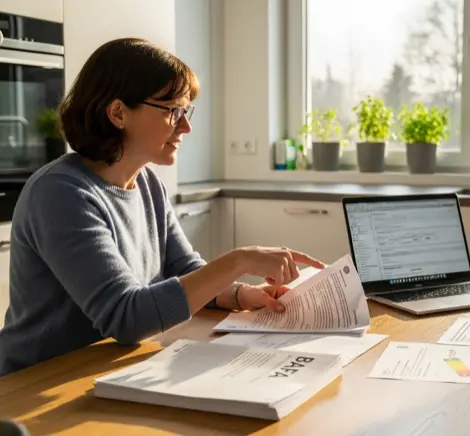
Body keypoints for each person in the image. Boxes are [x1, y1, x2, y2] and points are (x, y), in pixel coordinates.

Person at [0, 38, 326, 376]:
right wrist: (239, 260)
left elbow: (182, 269)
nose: (186, 126)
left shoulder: (146, 183)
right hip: (36, 381)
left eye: (186, 110)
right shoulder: (60, 193)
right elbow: (126, 318)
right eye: (173, 111)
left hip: (103, 370)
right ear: (118, 112)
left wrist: (241, 294)